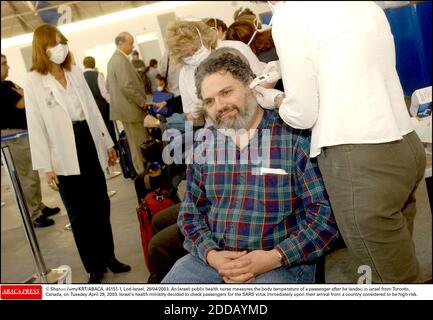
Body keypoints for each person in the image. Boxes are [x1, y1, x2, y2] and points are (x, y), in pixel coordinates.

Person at [256, 2, 426, 283]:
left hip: (361, 161)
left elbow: (302, 114)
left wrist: (272, 98)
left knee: (388, 281)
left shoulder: (290, 14)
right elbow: (349, 59)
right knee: (400, 265)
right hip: (405, 145)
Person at [161, 48, 339, 284]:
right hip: (215, 262)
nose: (220, 105)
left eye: (226, 92)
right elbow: (191, 214)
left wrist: (275, 257)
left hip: (281, 263)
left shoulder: (294, 137)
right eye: (210, 101)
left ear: (249, 85)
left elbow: (325, 217)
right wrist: (212, 256)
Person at [23, 24, 131, 284]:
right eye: (53, 43)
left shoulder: (74, 71)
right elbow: (35, 125)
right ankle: (93, 266)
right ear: (42, 48)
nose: (59, 48)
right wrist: (46, 166)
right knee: (79, 213)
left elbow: (92, 110)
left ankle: (109, 257)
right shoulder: (33, 80)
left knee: (100, 204)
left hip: (87, 140)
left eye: (62, 41)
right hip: (62, 151)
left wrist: (107, 143)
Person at [165, 19, 267, 127]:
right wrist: (196, 114)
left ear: (204, 38)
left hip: (254, 121)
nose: (193, 56)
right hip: (218, 131)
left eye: (195, 50)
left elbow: (265, 84)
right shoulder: (185, 74)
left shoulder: (236, 49)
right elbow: (196, 122)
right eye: (187, 55)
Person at [1, 53, 60, 228]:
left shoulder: (7, 84)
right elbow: (25, 103)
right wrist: (27, 94)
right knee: (27, 176)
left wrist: (26, 94)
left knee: (32, 174)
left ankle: (38, 206)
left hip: (22, 135)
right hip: (14, 138)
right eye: (4, 64)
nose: (8, 67)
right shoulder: (2, 89)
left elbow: (27, 97)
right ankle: (33, 214)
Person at [107, 32, 150, 175]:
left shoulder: (116, 59)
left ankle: (142, 173)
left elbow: (109, 85)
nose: (132, 46)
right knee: (139, 145)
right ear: (120, 43)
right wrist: (142, 102)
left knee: (135, 145)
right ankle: (144, 176)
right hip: (132, 110)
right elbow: (126, 86)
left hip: (128, 110)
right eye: (130, 43)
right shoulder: (119, 60)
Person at [82, 56, 117, 150]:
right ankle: (114, 149)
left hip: (89, 108)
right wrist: (112, 103)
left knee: (97, 130)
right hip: (102, 106)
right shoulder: (97, 75)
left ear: (84, 65)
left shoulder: (80, 77)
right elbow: (104, 93)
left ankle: (103, 150)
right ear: (94, 64)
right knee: (109, 128)